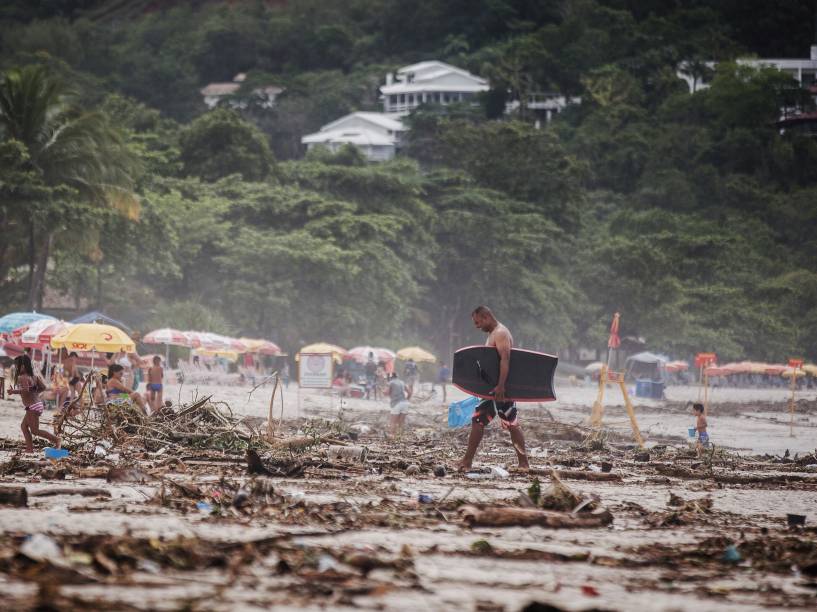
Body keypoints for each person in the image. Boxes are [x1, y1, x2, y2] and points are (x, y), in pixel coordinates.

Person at [458, 305, 529, 471]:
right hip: (492, 388)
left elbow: (505, 359)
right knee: (486, 421)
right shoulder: (493, 333)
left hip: (499, 389)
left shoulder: (501, 333)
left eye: (478, 322)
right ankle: (467, 461)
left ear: (486, 317)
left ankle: (523, 463)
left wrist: (501, 386)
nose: (477, 326)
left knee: (504, 422)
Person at [8, 354, 60, 453]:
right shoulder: (34, 376)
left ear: (23, 366)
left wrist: (13, 392)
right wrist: (35, 392)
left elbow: (25, 390)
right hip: (36, 405)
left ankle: (56, 440)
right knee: (24, 426)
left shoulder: (22, 377)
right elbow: (43, 387)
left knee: (35, 431)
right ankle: (29, 449)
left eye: (17, 366)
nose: (16, 368)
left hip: (32, 406)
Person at [388, 372, 412, 437]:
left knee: (393, 422)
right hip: (405, 403)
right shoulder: (402, 382)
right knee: (401, 422)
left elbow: (387, 392)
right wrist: (407, 400)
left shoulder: (391, 382)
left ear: (391, 377)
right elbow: (409, 392)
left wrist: (382, 391)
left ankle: (392, 436)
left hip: (396, 403)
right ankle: (401, 436)